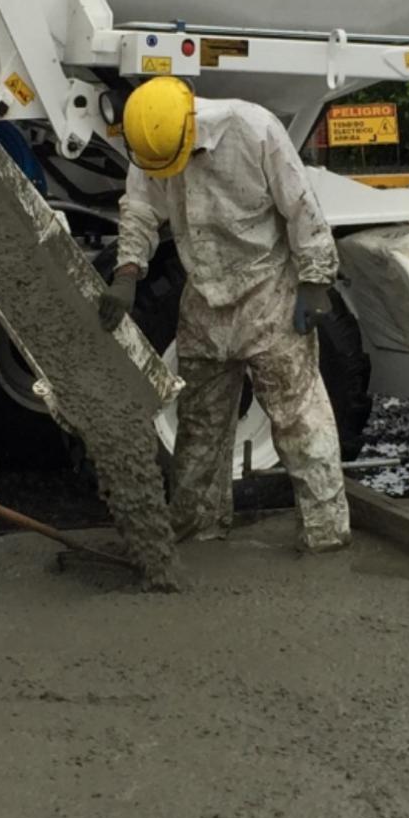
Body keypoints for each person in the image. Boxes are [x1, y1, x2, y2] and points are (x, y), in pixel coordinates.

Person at [98, 77, 351, 553]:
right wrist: (128, 272)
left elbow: (302, 208)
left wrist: (316, 282)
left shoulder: (254, 130)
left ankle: (326, 533)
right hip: (204, 298)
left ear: (192, 123)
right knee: (199, 430)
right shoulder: (152, 139)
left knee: (298, 419)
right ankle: (199, 528)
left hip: (267, 291)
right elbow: (139, 210)